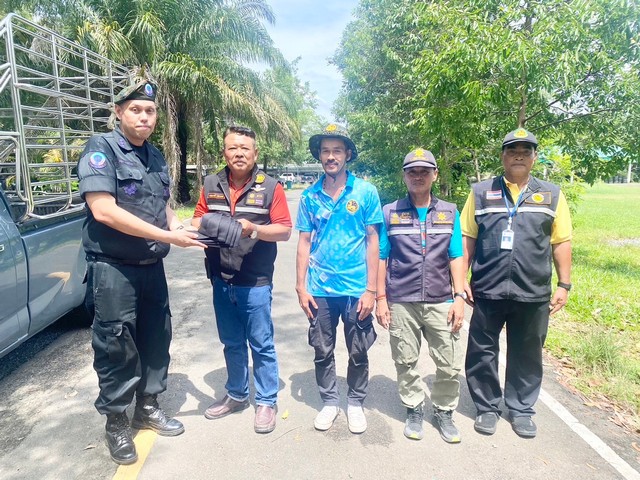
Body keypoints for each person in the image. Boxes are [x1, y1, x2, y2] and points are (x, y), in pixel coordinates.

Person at [78, 81, 206, 465]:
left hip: (152, 266)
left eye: (150, 111)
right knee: (116, 344)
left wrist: (178, 226)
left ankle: (147, 407)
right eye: (136, 110)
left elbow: (161, 203)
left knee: (156, 337)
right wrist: (167, 235)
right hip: (113, 268)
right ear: (119, 112)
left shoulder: (155, 155)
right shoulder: (101, 149)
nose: (144, 117)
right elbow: (103, 210)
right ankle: (116, 422)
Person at [461, 128, 572, 438]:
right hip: (488, 288)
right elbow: (467, 237)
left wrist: (564, 284)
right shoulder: (481, 192)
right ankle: (487, 407)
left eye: (526, 151)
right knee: (482, 351)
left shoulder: (552, 194)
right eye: (512, 151)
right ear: (503, 157)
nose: (519, 156)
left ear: (535, 157)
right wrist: (461, 280)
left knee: (527, 352)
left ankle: (521, 409)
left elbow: (561, 241)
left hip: (532, 291)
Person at [191, 126, 292, 434]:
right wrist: (214, 224)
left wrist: (254, 229)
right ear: (224, 152)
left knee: (261, 343)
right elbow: (196, 219)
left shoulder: (271, 187)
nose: (239, 153)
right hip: (221, 279)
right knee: (231, 342)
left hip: (255, 281)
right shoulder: (210, 183)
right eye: (233, 148)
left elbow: (284, 230)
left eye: (245, 148)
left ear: (255, 153)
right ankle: (236, 394)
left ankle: (266, 401)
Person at [295, 123, 383, 434]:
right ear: (319, 155)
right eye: (325, 151)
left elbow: (373, 240)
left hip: (357, 287)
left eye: (336, 150)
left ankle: (355, 401)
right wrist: (300, 286)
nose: (330, 156)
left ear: (347, 154)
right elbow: (304, 241)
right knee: (322, 348)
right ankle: (330, 401)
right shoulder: (309, 195)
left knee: (358, 349)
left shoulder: (365, 192)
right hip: (320, 287)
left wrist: (372, 290)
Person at [375, 148, 466, 443]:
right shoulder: (390, 212)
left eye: (424, 171)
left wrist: (460, 296)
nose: (418, 176)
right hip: (402, 299)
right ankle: (414, 407)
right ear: (404, 176)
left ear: (434, 175)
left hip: (441, 299)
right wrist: (380, 299)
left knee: (449, 362)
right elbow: (381, 257)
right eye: (412, 172)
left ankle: (444, 411)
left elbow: (456, 255)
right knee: (405, 359)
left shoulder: (449, 211)